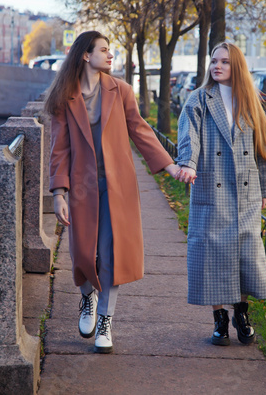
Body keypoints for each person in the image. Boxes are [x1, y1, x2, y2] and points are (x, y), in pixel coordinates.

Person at [45, 31, 179, 354]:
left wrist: (170, 166)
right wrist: (59, 194)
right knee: (82, 254)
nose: (110, 55)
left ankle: (105, 319)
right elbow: (59, 150)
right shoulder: (66, 97)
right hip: (80, 189)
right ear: (85, 56)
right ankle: (87, 299)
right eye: (104, 50)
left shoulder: (121, 91)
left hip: (117, 188)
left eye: (110, 50)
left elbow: (140, 130)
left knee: (110, 254)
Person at [175, 41, 266, 346]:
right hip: (211, 185)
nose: (217, 66)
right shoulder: (198, 99)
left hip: (246, 192)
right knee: (211, 255)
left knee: (245, 255)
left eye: (224, 62)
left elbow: (263, 148)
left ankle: (242, 313)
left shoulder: (250, 101)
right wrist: (188, 164)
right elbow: (189, 135)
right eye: (213, 61)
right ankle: (219, 320)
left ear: (237, 67)